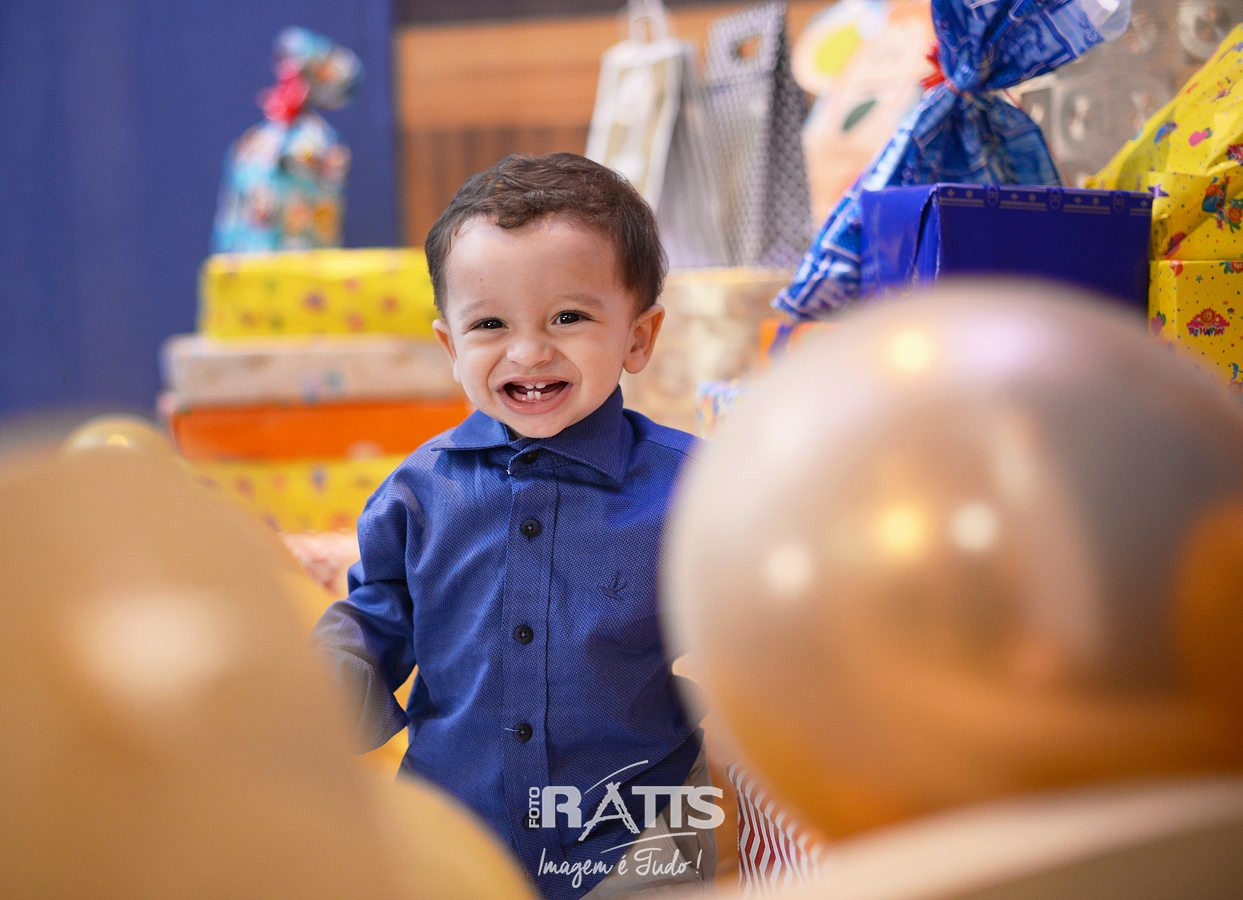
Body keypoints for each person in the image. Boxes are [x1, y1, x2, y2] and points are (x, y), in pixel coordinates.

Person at [312, 152, 716, 898]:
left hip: (634, 834)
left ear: (638, 336)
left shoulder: (697, 488)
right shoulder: (416, 494)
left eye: (569, 317)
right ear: (451, 347)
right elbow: (374, 620)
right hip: (453, 834)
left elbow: (753, 626)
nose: (529, 352)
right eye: (490, 324)